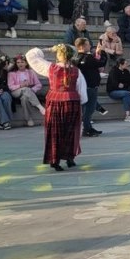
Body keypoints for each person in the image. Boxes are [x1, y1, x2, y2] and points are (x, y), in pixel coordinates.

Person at [26, 44, 88, 172]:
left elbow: (31, 55)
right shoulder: (77, 71)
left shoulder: (50, 68)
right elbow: (82, 92)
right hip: (72, 102)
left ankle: (55, 160)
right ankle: (69, 158)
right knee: (70, 131)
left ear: (58, 55)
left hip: (55, 102)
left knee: (55, 131)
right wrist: (79, 101)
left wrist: (48, 49)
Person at [73, 38, 104, 137]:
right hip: (90, 86)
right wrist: (101, 52)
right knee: (89, 109)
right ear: (82, 46)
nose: (90, 46)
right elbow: (101, 63)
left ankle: (88, 127)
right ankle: (86, 129)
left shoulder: (75, 57)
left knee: (85, 109)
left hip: (83, 86)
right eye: (88, 44)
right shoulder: (87, 57)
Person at [6, 54, 46, 126]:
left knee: (24, 99)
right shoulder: (11, 73)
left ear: (26, 63)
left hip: (28, 92)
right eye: (18, 62)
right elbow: (10, 87)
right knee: (25, 89)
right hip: (15, 92)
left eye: (22, 62)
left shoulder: (31, 72)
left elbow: (38, 84)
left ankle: (29, 119)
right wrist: (20, 86)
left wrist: (32, 90)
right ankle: (40, 107)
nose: (20, 64)